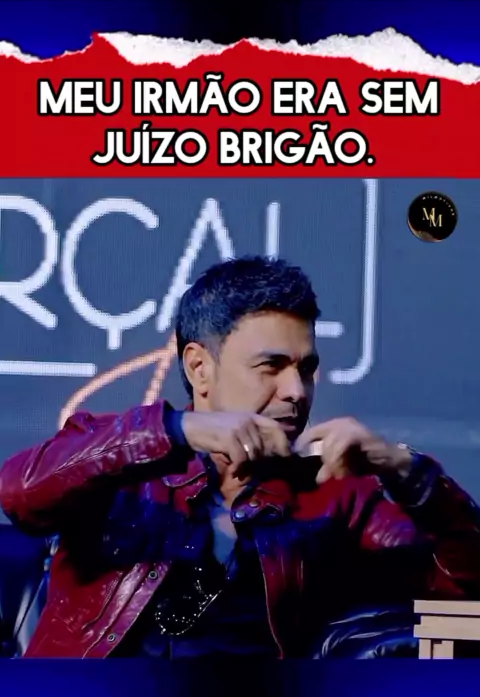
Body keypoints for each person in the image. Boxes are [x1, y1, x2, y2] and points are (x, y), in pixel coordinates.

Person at [0, 255, 479, 659]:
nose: (296, 391)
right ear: (199, 368)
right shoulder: (120, 462)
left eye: (306, 369)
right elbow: (19, 491)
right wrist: (177, 431)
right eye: (271, 366)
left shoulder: (336, 497)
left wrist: (401, 467)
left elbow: (466, 590)